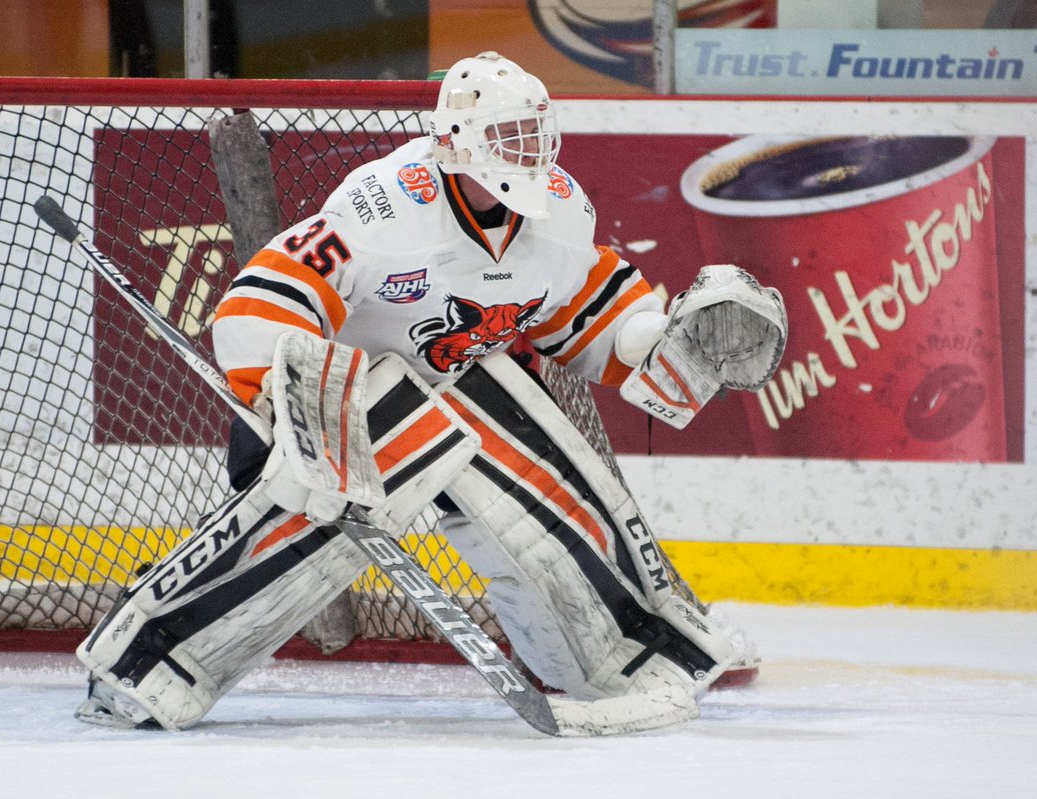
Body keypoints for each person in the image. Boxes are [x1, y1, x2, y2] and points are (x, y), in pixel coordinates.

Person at [74, 52, 786, 732]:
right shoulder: (384, 213)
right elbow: (264, 299)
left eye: (533, 134)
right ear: (454, 145)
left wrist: (658, 340)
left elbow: (587, 314)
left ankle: (622, 655)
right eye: (506, 137)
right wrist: (281, 403)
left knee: (559, 512)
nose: (526, 153)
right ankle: (143, 664)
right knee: (291, 534)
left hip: (464, 394)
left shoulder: (563, 213)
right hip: (343, 406)